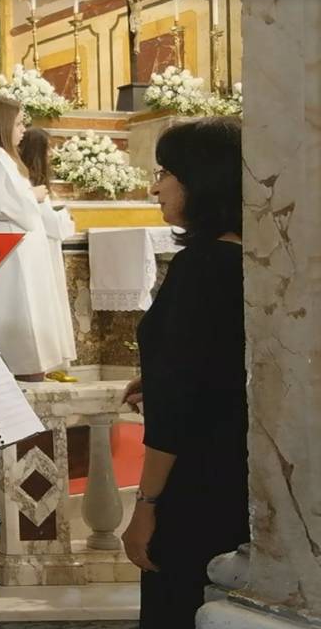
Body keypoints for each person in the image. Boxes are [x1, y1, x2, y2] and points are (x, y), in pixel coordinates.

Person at [120, 117, 248, 628]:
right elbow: (223, 360)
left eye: (167, 172)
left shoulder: (199, 268)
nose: (156, 186)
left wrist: (147, 505)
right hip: (238, 471)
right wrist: (158, 375)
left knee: (177, 607)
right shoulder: (251, 256)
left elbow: (175, 411)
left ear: (201, 179)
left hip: (195, 483)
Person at [0, 96, 74, 381]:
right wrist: (35, 195)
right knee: (20, 347)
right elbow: (11, 206)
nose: (23, 129)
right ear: (1, 125)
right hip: (12, 268)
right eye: (17, 123)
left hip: (19, 263)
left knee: (28, 344)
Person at [18, 127, 78, 381]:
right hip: (42, 255)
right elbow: (51, 225)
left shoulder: (32, 182)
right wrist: (66, 217)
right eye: (48, 148)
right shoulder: (29, 184)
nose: (52, 154)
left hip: (46, 252)